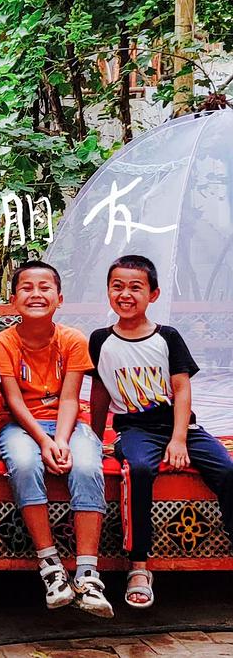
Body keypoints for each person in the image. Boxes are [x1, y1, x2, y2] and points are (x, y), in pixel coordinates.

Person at [89, 254, 233, 609]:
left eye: (135, 287)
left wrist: (179, 439)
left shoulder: (167, 337)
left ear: (152, 294)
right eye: (117, 286)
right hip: (135, 428)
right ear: (108, 291)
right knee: (138, 469)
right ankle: (139, 566)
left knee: (226, 468)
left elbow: (182, 389)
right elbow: (101, 391)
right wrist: (93, 437)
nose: (125, 294)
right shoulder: (100, 340)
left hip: (180, 425)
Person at [0, 260, 112, 617]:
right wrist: (44, 443)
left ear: (59, 298)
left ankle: (88, 573)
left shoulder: (72, 339)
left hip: (67, 423)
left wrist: (60, 439)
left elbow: (71, 398)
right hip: (20, 424)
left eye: (45, 288)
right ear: (14, 300)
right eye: (26, 288)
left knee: (87, 465)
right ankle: (51, 567)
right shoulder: (3, 343)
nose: (36, 294)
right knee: (24, 463)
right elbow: (13, 401)